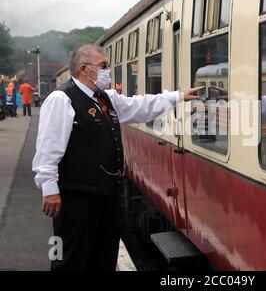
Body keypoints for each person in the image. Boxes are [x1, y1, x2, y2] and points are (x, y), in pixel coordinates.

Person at [32, 44, 202, 271]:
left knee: (104, 255)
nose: (108, 71)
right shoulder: (61, 99)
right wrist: (50, 189)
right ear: (84, 69)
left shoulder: (105, 98)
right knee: (70, 259)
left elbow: (140, 106)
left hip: (106, 196)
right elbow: (48, 149)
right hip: (77, 199)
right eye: (103, 66)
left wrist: (178, 97)